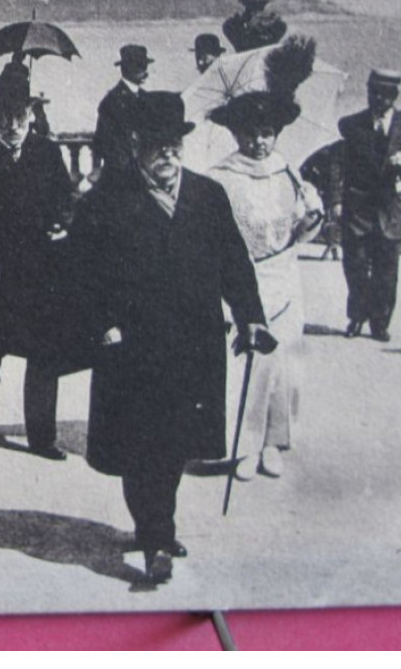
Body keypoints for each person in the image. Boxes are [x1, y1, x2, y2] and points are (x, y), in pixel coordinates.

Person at [67, 91, 271, 584]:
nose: (168, 155)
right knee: (142, 445)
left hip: (195, 343)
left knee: (175, 443)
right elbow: (79, 276)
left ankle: (155, 523)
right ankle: (156, 535)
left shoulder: (207, 196)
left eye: (175, 145)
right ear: (136, 144)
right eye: (157, 145)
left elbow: (235, 264)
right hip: (132, 346)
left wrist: (252, 318)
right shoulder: (105, 202)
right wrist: (101, 324)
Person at [206, 85, 324, 480]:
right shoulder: (220, 178)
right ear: (236, 133)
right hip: (241, 282)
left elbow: (297, 233)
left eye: (267, 132)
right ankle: (243, 446)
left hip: (284, 278)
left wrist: (311, 219)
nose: (259, 142)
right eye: (251, 133)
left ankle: (273, 442)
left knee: (284, 362)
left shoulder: (288, 173)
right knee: (245, 364)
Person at [0, 68, 77, 459]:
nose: (12, 126)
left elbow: (66, 199)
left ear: (31, 115)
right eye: (4, 117)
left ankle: (42, 437)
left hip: (40, 272)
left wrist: (63, 223)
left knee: (45, 354)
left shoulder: (48, 152)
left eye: (19, 117)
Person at [338, 69, 401, 342]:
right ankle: (356, 316)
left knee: (386, 271)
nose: (377, 98)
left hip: (392, 209)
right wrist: (334, 202)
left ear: (394, 96)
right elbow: (337, 163)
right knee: (354, 265)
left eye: (384, 94)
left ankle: (379, 321)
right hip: (359, 208)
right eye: (373, 92)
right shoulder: (351, 125)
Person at [91, 44, 152, 187]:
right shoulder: (111, 101)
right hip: (121, 175)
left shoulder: (146, 98)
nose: (145, 71)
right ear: (126, 68)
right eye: (139, 66)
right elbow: (103, 140)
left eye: (144, 66)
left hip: (144, 172)